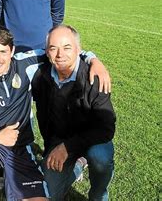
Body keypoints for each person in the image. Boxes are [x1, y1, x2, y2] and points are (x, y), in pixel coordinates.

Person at [0, 26, 109, 201]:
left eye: (3, 51)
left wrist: (93, 59)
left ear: (12, 51)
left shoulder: (26, 64)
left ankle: (76, 166)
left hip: (20, 149)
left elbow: (61, 50)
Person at [32, 25, 116, 200]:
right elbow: (7, 67)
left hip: (93, 140)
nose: (60, 54)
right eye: (53, 48)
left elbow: (106, 129)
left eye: (67, 47)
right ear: (47, 52)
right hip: (58, 141)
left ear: (79, 50)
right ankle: (78, 166)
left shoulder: (95, 77)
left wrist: (68, 147)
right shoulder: (40, 76)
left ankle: (98, 195)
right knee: (48, 195)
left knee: (100, 157)